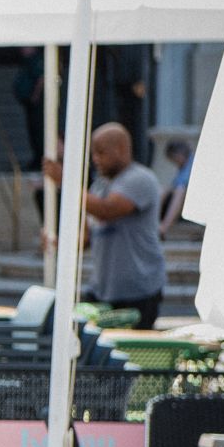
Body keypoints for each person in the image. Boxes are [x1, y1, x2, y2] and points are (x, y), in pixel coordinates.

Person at [46, 121, 166, 329]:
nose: (95, 159)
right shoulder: (99, 185)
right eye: (93, 153)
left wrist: (67, 182)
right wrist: (56, 242)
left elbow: (107, 210)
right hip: (102, 290)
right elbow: (87, 237)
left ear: (121, 149)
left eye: (101, 152)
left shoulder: (140, 179)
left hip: (138, 292)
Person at [157, 138, 195, 234]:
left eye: (173, 159)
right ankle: (152, 222)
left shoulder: (193, 161)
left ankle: (164, 228)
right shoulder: (183, 167)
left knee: (179, 190)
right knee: (163, 190)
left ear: (177, 155)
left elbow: (183, 184)